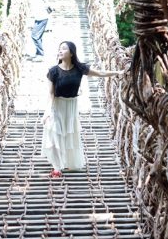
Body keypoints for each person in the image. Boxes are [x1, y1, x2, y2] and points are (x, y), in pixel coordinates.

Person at [42, 41, 124, 177]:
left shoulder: (80, 69)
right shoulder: (53, 71)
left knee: (69, 135)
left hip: (71, 107)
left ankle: (67, 162)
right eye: (59, 49)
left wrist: (118, 72)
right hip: (57, 105)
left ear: (72, 53)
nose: (60, 51)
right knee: (54, 134)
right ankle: (57, 168)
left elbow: (100, 73)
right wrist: (47, 112)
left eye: (63, 49)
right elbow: (50, 94)